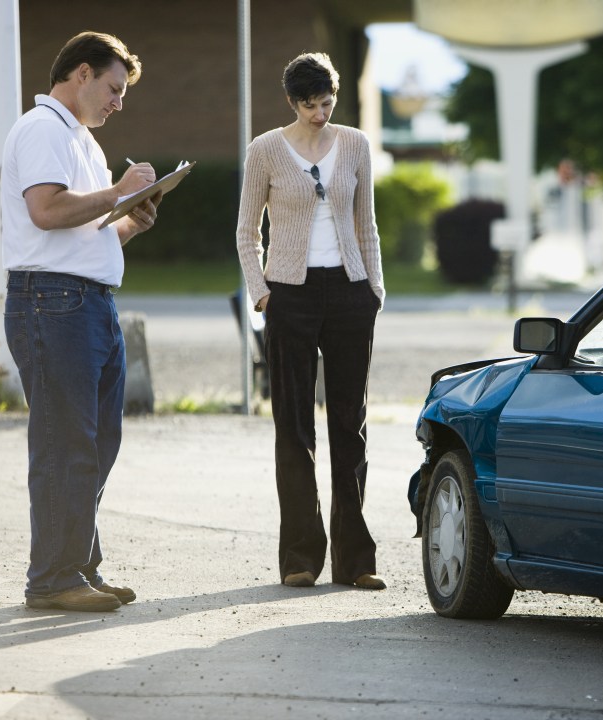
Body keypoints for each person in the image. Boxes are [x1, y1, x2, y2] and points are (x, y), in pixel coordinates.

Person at [2, 31, 161, 612]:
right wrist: (119, 190)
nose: (119, 102)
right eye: (115, 89)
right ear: (83, 73)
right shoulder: (43, 129)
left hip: (86, 300)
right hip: (52, 302)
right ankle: (51, 579)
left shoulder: (82, 139)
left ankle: (77, 569)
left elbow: (84, 232)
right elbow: (45, 212)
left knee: (95, 444)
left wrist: (128, 222)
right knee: (63, 443)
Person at [236, 52, 386, 590]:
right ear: (292, 102)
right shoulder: (265, 151)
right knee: (294, 428)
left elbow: (364, 223)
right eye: (310, 104)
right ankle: (300, 559)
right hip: (289, 297)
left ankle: (355, 562)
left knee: (350, 425)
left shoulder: (356, 144)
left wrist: (374, 291)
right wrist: (262, 295)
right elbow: (246, 232)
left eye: (327, 102)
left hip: (349, 294)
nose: (320, 112)